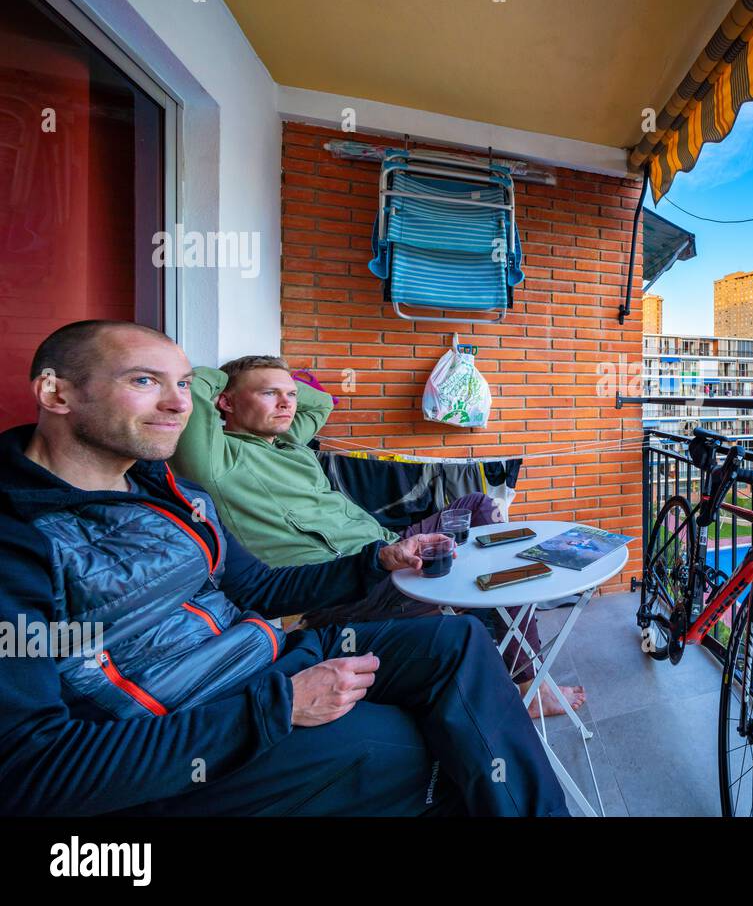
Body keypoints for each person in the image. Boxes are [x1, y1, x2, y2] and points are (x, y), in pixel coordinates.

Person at [0, 320, 569, 816]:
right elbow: (29, 769)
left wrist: (378, 558)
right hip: (193, 721)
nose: (177, 402)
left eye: (180, 384)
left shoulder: (171, 490)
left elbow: (259, 586)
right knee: (440, 748)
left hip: (266, 657)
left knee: (459, 638)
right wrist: (280, 706)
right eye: (145, 381)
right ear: (55, 392)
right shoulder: (20, 536)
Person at [169, 354, 585, 718]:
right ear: (224, 402)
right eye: (268, 395)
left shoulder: (289, 446)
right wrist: (231, 379)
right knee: (497, 577)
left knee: (477, 506)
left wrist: (272, 382)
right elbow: (197, 382)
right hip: (342, 582)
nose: (287, 403)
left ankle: (497, 620)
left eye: (290, 394)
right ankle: (529, 682)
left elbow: (322, 401)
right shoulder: (218, 461)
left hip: (387, 547)